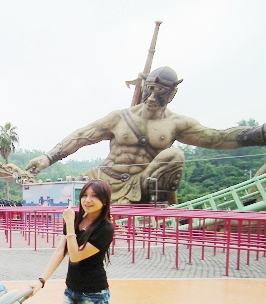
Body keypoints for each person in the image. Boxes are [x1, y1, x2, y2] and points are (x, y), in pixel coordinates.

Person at [26, 66, 266, 205]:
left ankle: (158, 213)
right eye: (149, 90)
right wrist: (47, 158)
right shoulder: (119, 117)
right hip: (105, 178)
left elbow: (217, 138)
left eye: (159, 93)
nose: (151, 98)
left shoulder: (176, 123)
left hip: (143, 183)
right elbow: (82, 136)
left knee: (174, 156)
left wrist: (259, 134)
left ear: (171, 94)